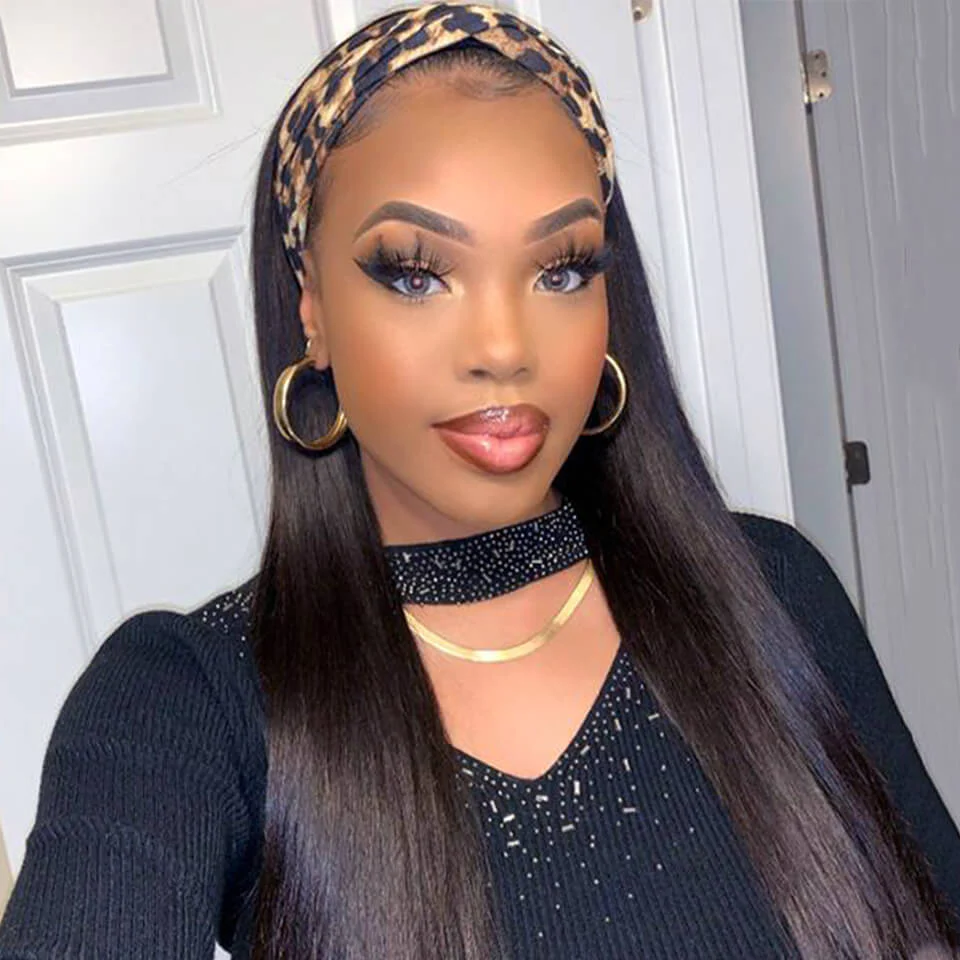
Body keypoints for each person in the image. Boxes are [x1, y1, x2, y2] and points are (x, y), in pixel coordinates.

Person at [1, 3, 958, 958]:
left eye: (562, 270)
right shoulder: (190, 700)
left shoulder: (772, 589)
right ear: (311, 309)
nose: (504, 349)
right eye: (417, 273)